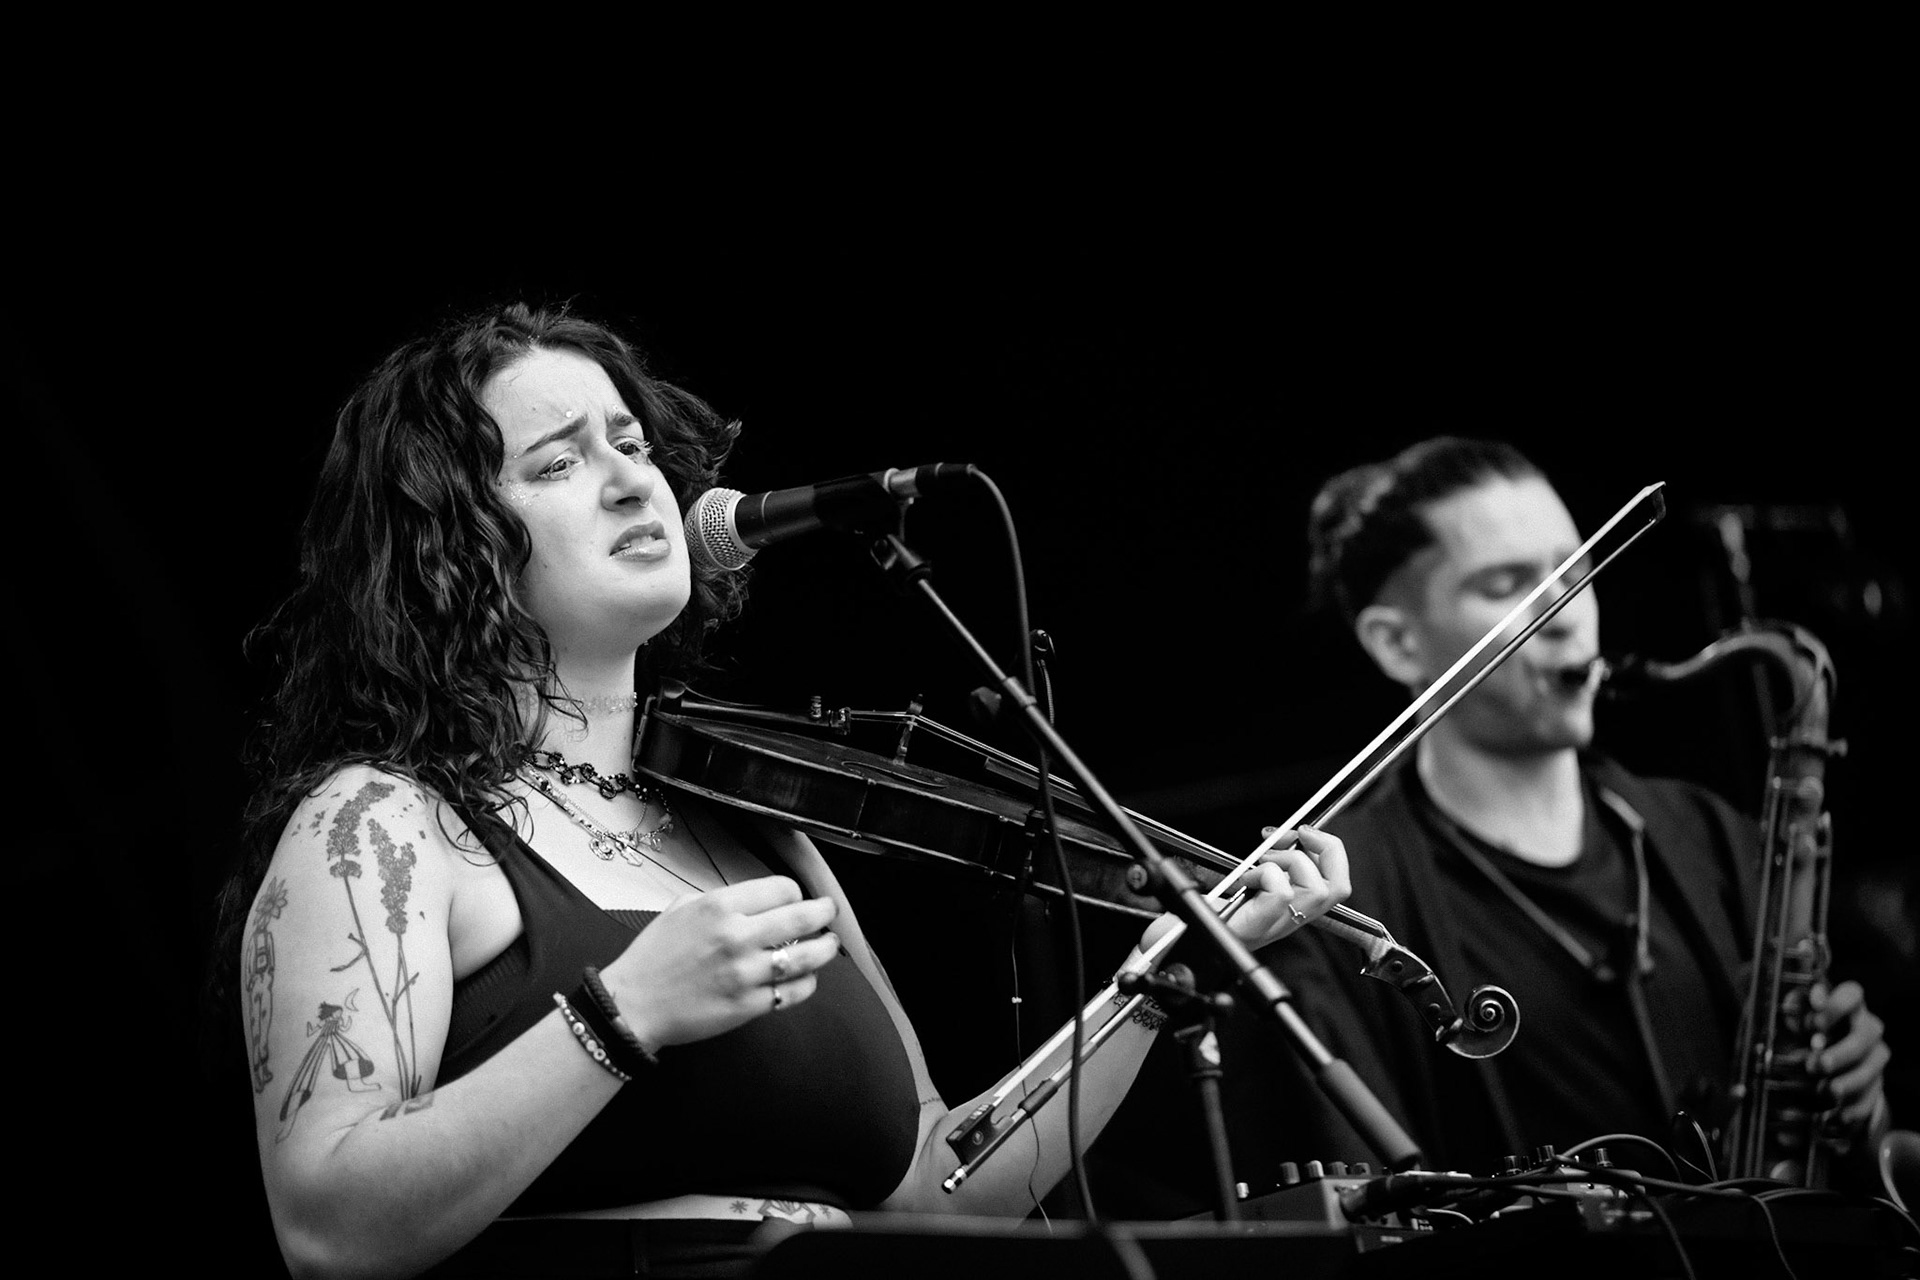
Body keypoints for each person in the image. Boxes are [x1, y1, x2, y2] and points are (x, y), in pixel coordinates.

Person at [215, 301, 1353, 1280]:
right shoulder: (382, 823)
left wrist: (1152, 985)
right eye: (559, 462)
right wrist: (621, 1014)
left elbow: (926, 1191)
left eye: (632, 442)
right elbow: (329, 1223)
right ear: (445, 545)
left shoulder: (758, 832)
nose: (631, 481)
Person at [1259, 435, 1893, 1183]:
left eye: (1577, 569)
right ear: (1397, 644)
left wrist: (1855, 1109)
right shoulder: (1334, 902)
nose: (1565, 613)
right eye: (1508, 584)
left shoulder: (1711, 834)